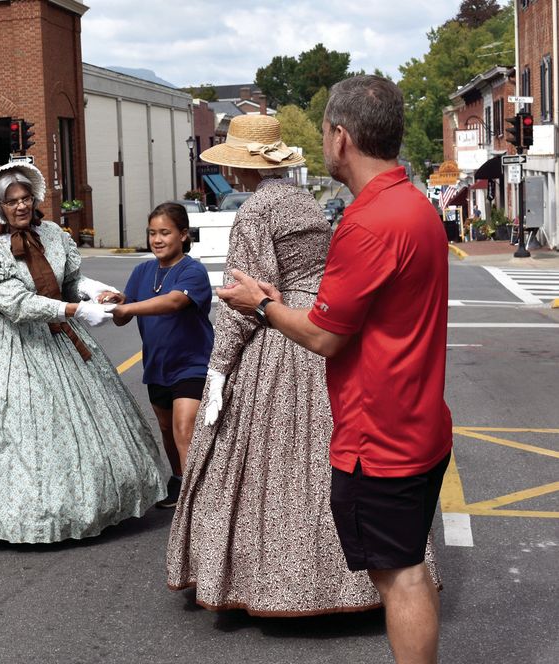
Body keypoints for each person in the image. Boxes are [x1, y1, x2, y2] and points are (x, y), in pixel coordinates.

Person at [217, 76, 452, 662]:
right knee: (408, 568)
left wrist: (263, 305)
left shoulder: (369, 222)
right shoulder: (414, 205)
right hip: (419, 421)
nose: (323, 141)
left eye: (324, 130)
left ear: (341, 137)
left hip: (380, 433)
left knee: (398, 577)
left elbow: (323, 335)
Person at [0, 162, 169, 543]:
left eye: (25, 199)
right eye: (11, 202)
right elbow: (17, 304)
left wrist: (95, 293)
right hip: (14, 344)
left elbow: (70, 280)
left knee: (87, 419)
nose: (20, 207)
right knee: (24, 424)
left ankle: (97, 502)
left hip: (60, 336)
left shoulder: (52, 234)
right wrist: (75, 310)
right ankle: (31, 516)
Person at [109, 202, 213, 509]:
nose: (157, 239)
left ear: (182, 235)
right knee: (167, 429)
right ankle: (180, 479)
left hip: (192, 365)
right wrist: (115, 301)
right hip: (157, 366)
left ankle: (198, 501)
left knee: (185, 428)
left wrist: (128, 306)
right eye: (152, 233)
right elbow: (121, 316)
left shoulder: (192, 270)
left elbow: (173, 302)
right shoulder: (143, 270)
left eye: (165, 232)